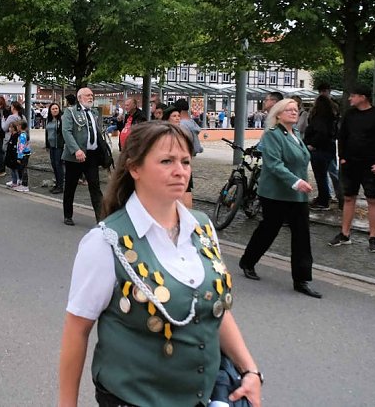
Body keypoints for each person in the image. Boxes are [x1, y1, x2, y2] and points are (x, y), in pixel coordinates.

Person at [58, 122, 261, 407]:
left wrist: (250, 370)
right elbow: (77, 331)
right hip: (133, 399)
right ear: (134, 168)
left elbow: (213, 310)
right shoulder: (105, 242)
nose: (180, 170)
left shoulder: (202, 228)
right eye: (166, 161)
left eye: (186, 161)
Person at [238, 99, 322, 298]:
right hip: (276, 193)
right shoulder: (272, 135)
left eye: (296, 110)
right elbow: (274, 165)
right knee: (269, 230)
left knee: (302, 234)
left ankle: (301, 279)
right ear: (278, 114)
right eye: (289, 110)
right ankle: (248, 261)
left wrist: (300, 184)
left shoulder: (297, 134)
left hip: (297, 194)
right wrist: (296, 182)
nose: (294, 113)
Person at [330, 85, 375, 253]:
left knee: (372, 200)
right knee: (349, 198)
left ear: (363, 97)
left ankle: (373, 236)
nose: (350, 99)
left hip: (371, 165)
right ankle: (345, 234)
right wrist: (342, 157)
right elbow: (342, 137)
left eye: (353, 95)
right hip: (350, 164)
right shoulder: (349, 115)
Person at [61, 87, 104, 226]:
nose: (91, 97)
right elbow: (66, 132)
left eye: (92, 95)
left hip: (92, 155)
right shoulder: (70, 112)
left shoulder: (94, 112)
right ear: (80, 98)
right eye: (87, 95)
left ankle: (101, 218)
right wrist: (76, 150)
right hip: (75, 156)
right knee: (70, 186)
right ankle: (68, 215)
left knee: (95, 187)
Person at [303, 95, 339, 211]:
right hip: (328, 149)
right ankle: (324, 197)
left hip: (319, 151)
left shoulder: (319, 119)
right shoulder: (331, 117)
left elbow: (320, 134)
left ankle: (323, 200)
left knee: (320, 176)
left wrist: (312, 144)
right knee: (324, 174)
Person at [45, 103, 65, 194]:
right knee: (53, 165)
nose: (55, 110)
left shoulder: (61, 119)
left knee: (58, 165)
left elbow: (64, 133)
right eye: (53, 109)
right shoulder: (48, 120)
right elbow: (47, 133)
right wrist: (47, 145)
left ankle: (60, 185)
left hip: (59, 146)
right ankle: (57, 183)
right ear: (50, 110)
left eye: (56, 108)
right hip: (52, 146)